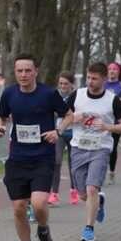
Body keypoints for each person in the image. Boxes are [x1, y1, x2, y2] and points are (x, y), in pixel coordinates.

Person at [0, 53, 72, 241]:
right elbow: (0, 115)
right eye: (19, 71)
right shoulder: (9, 94)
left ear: (36, 71)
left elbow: (69, 115)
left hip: (42, 157)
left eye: (28, 70)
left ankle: (43, 229)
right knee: (19, 207)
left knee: (38, 204)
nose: (23, 75)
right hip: (17, 158)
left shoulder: (48, 94)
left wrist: (58, 131)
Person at [60, 62, 121, 241]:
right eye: (88, 78)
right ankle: (99, 202)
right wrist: (74, 118)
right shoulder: (77, 95)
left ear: (104, 79)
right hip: (78, 147)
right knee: (82, 194)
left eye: (95, 79)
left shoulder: (112, 100)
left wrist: (107, 126)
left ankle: (89, 228)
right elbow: (63, 116)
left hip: (101, 148)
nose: (90, 82)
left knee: (91, 188)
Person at [49, 71, 79, 206]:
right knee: (56, 161)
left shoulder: (77, 96)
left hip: (73, 132)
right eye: (60, 83)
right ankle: (54, 193)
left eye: (66, 84)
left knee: (73, 163)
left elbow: (78, 114)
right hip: (59, 132)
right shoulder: (54, 96)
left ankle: (74, 190)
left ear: (72, 84)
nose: (62, 86)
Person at [104, 62, 121, 184]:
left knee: (112, 148)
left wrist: (115, 99)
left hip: (116, 122)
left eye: (115, 69)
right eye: (110, 69)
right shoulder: (103, 84)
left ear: (119, 72)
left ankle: (112, 172)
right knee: (101, 148)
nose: (112, 71)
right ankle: (100, 172)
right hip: (103, 121)